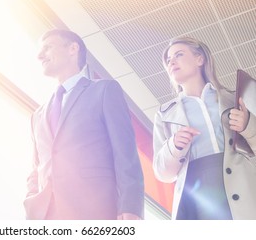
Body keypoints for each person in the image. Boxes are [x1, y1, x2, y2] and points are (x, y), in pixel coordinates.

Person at [23, 29, 144, 220]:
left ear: (73, 49)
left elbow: (125, 153)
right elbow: (36, 168)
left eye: (47, 47)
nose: (39, 55)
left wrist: (131, 207)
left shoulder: (104, 90)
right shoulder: (37, 116)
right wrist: (31, 199)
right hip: (47, 216)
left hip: (95, 210)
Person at [153, 37, 256, 220]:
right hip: (198, 202)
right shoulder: (164, 115)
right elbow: (162, 173)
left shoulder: (235, 99)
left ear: (199, 59)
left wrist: (248, 126)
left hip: (244, 190)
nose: (172, 62)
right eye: (168, 60)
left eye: (179, 55)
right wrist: (174, 147)